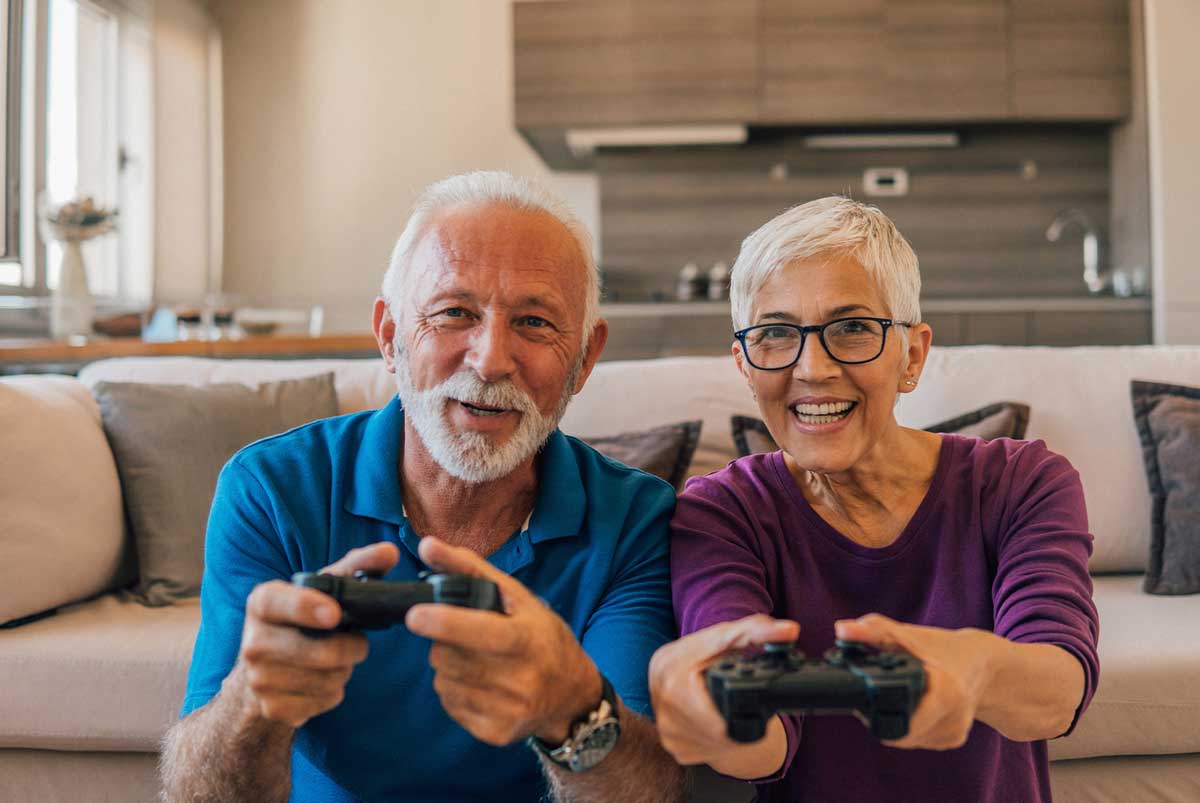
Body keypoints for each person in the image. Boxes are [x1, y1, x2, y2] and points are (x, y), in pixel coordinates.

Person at [160, 171, 685, 803]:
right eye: (455, 313)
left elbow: (647, 792)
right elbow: (196, 796)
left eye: (535, 322)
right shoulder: (271, 488)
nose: (491, 359)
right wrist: (253, 699)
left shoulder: (636, 517)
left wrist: (573, 705)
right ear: (390, 336)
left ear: (585, 360)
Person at [648, 197, 1100, 802]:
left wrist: (978, 670)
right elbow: (764, 744)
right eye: (776, 334)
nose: (812, 369)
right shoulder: (721, 512)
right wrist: (715, 719)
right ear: (746, 366)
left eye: (852, 328)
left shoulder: (1021, 482)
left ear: (911, 355)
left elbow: (1058, 689)